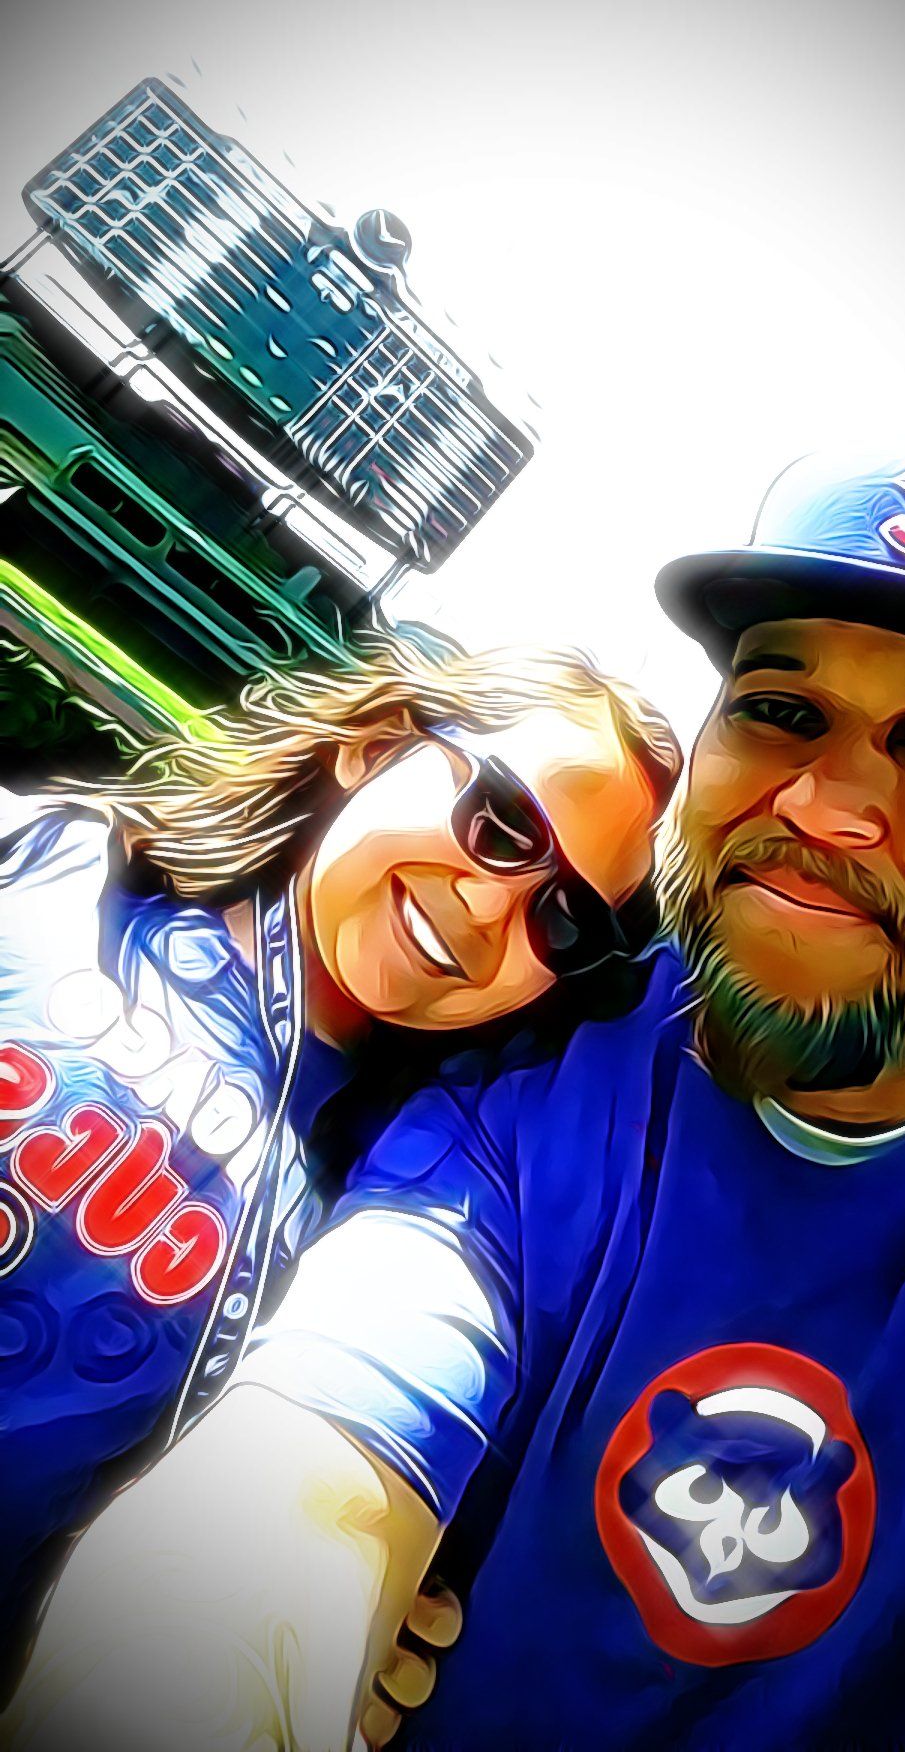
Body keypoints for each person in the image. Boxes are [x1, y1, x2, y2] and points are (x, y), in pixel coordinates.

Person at [9, 439, 905, 1752]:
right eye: (782, 709)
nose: (826, 801)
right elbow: (299, 1484)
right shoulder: (534, 1098)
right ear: (379, 750)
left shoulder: (383, 1106)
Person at [0, 626, 678, 1722]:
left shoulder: (410, 1214)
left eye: (564, 920)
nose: (493, 908)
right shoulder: (40, 862)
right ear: (376, 744)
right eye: (502, 824)